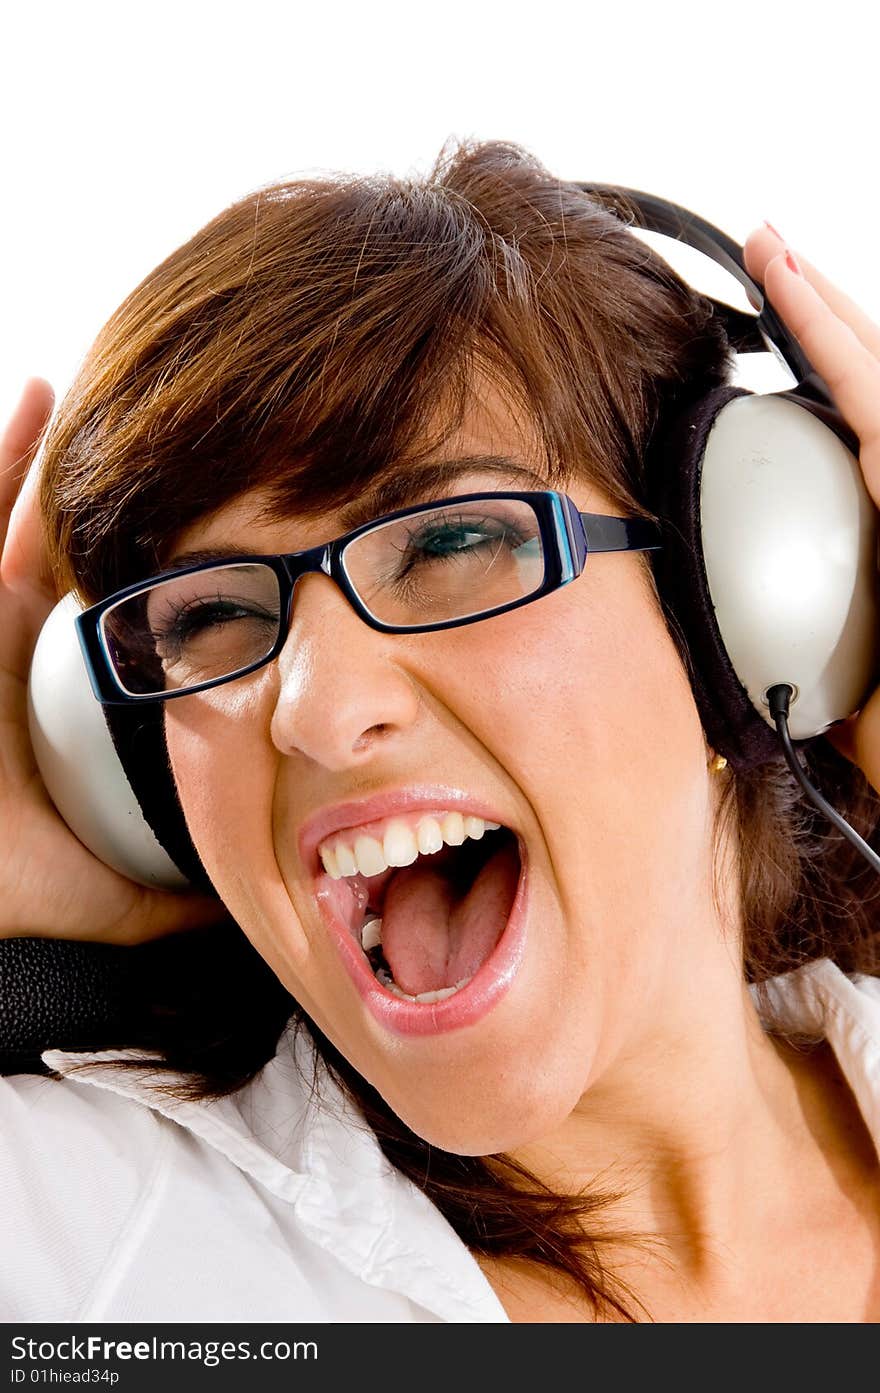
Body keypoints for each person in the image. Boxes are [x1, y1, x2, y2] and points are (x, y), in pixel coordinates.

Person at [2, 140, 880, 1324]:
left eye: (453, 542)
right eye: (207, 614)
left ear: (735, 610)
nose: (313, 707)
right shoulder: (74, 1248)